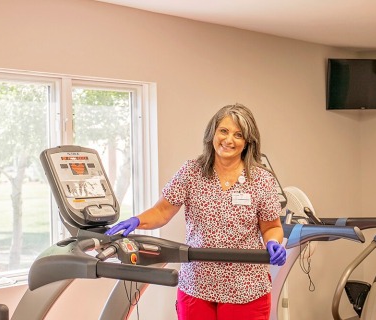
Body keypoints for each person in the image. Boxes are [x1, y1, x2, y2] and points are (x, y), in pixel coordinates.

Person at [105, 103, 286, 320]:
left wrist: (273, 242)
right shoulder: (191, 171)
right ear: (212, 133)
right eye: (224, 131)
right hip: (197, 285)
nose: (229, 140)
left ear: (247, 142)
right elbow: (162, 211)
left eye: (238, 135)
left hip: (245, 288)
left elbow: (272, 227)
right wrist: (136, 220)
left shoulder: (261, 180)